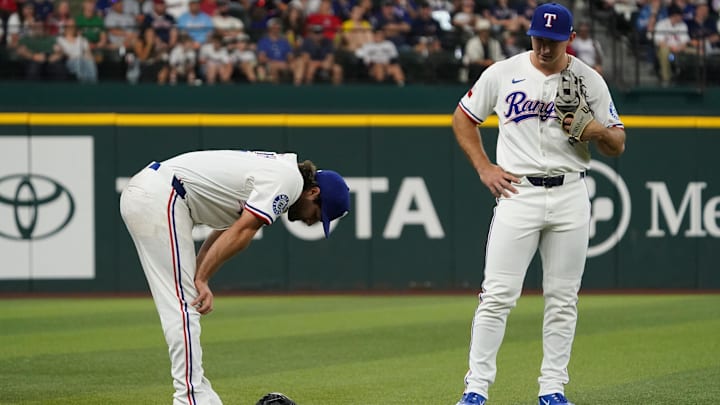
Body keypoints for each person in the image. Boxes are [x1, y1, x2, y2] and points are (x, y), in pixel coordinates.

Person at [452, 3, 626, 405]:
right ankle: (476, 389)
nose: (545, 48)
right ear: (530, 34)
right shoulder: (503, 72)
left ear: (571, 39)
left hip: (570, 192)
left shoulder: (589, 79)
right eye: (539, 39)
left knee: (563, 298)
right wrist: (484, 168)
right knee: (497, 295)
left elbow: (617, 144)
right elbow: (463, 118)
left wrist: (593, 128)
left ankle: (552, 389)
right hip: (519, 192)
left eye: (554, 41)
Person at [120, 150, 350, 405]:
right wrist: (202, 279)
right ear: (313, 192)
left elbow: (227, 230)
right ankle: (189, 398)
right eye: (318, 215)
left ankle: (202, 397)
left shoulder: (279, 174)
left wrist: (199, 274)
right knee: (182, 306)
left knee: (186, 301)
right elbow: (243, 232)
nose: (312, 222)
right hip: (161, 195)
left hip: (159, 193)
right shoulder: (289, 180)